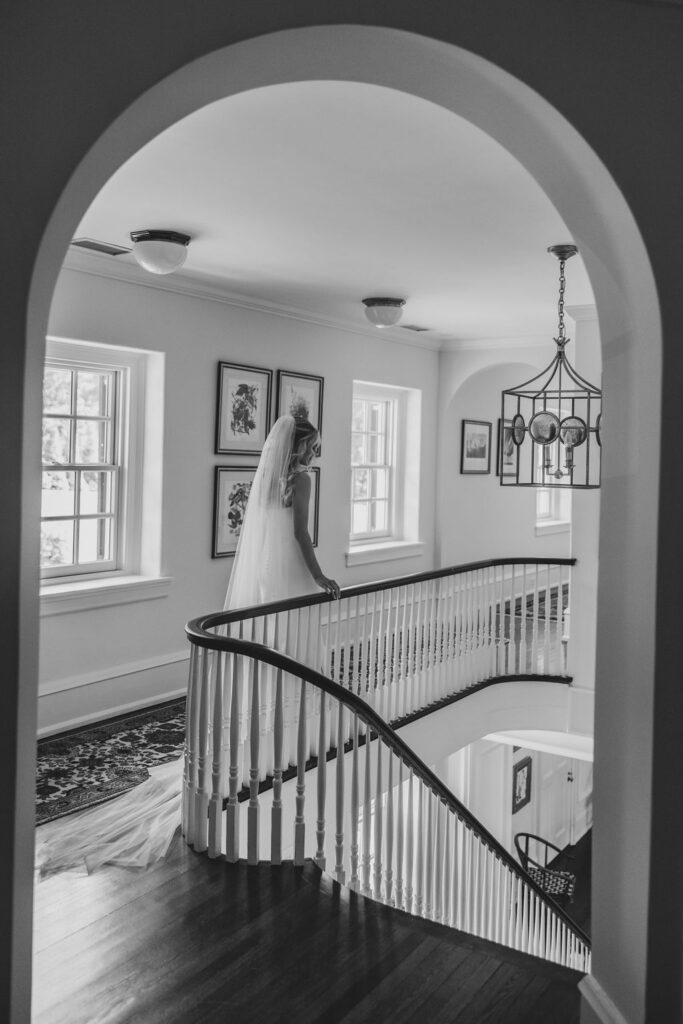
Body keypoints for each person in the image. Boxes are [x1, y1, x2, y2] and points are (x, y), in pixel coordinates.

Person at [36, 414, 339, 875]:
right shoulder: (301, 481)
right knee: (293, 650)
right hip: (294, 579)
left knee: (273, 651)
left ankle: (271, 733)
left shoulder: (266, 480)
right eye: (313, 445)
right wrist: (320, 577)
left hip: (268, 582)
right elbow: (300, 535)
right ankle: (290, 737)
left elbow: (265, 539)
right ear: (299, 448)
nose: (317, 452)